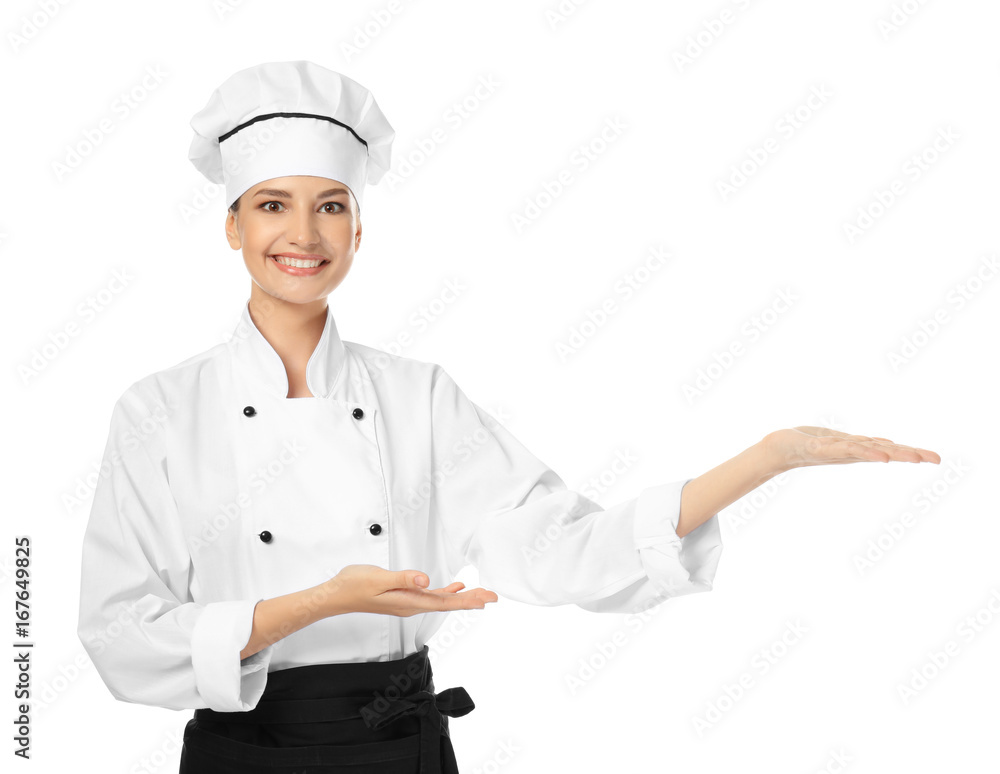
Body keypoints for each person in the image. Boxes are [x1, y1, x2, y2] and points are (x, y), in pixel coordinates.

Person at [75, 60, 941, 774]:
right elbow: (118, 636)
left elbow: (559, 547)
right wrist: (307, 606)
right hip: (248, 755)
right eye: (272, 204)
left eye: (330, 205)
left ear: (358, 228)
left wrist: (763, 460)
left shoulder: (417, 395)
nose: (303, 233)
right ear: (231, 226)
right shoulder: (159, 411)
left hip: (401, 746)